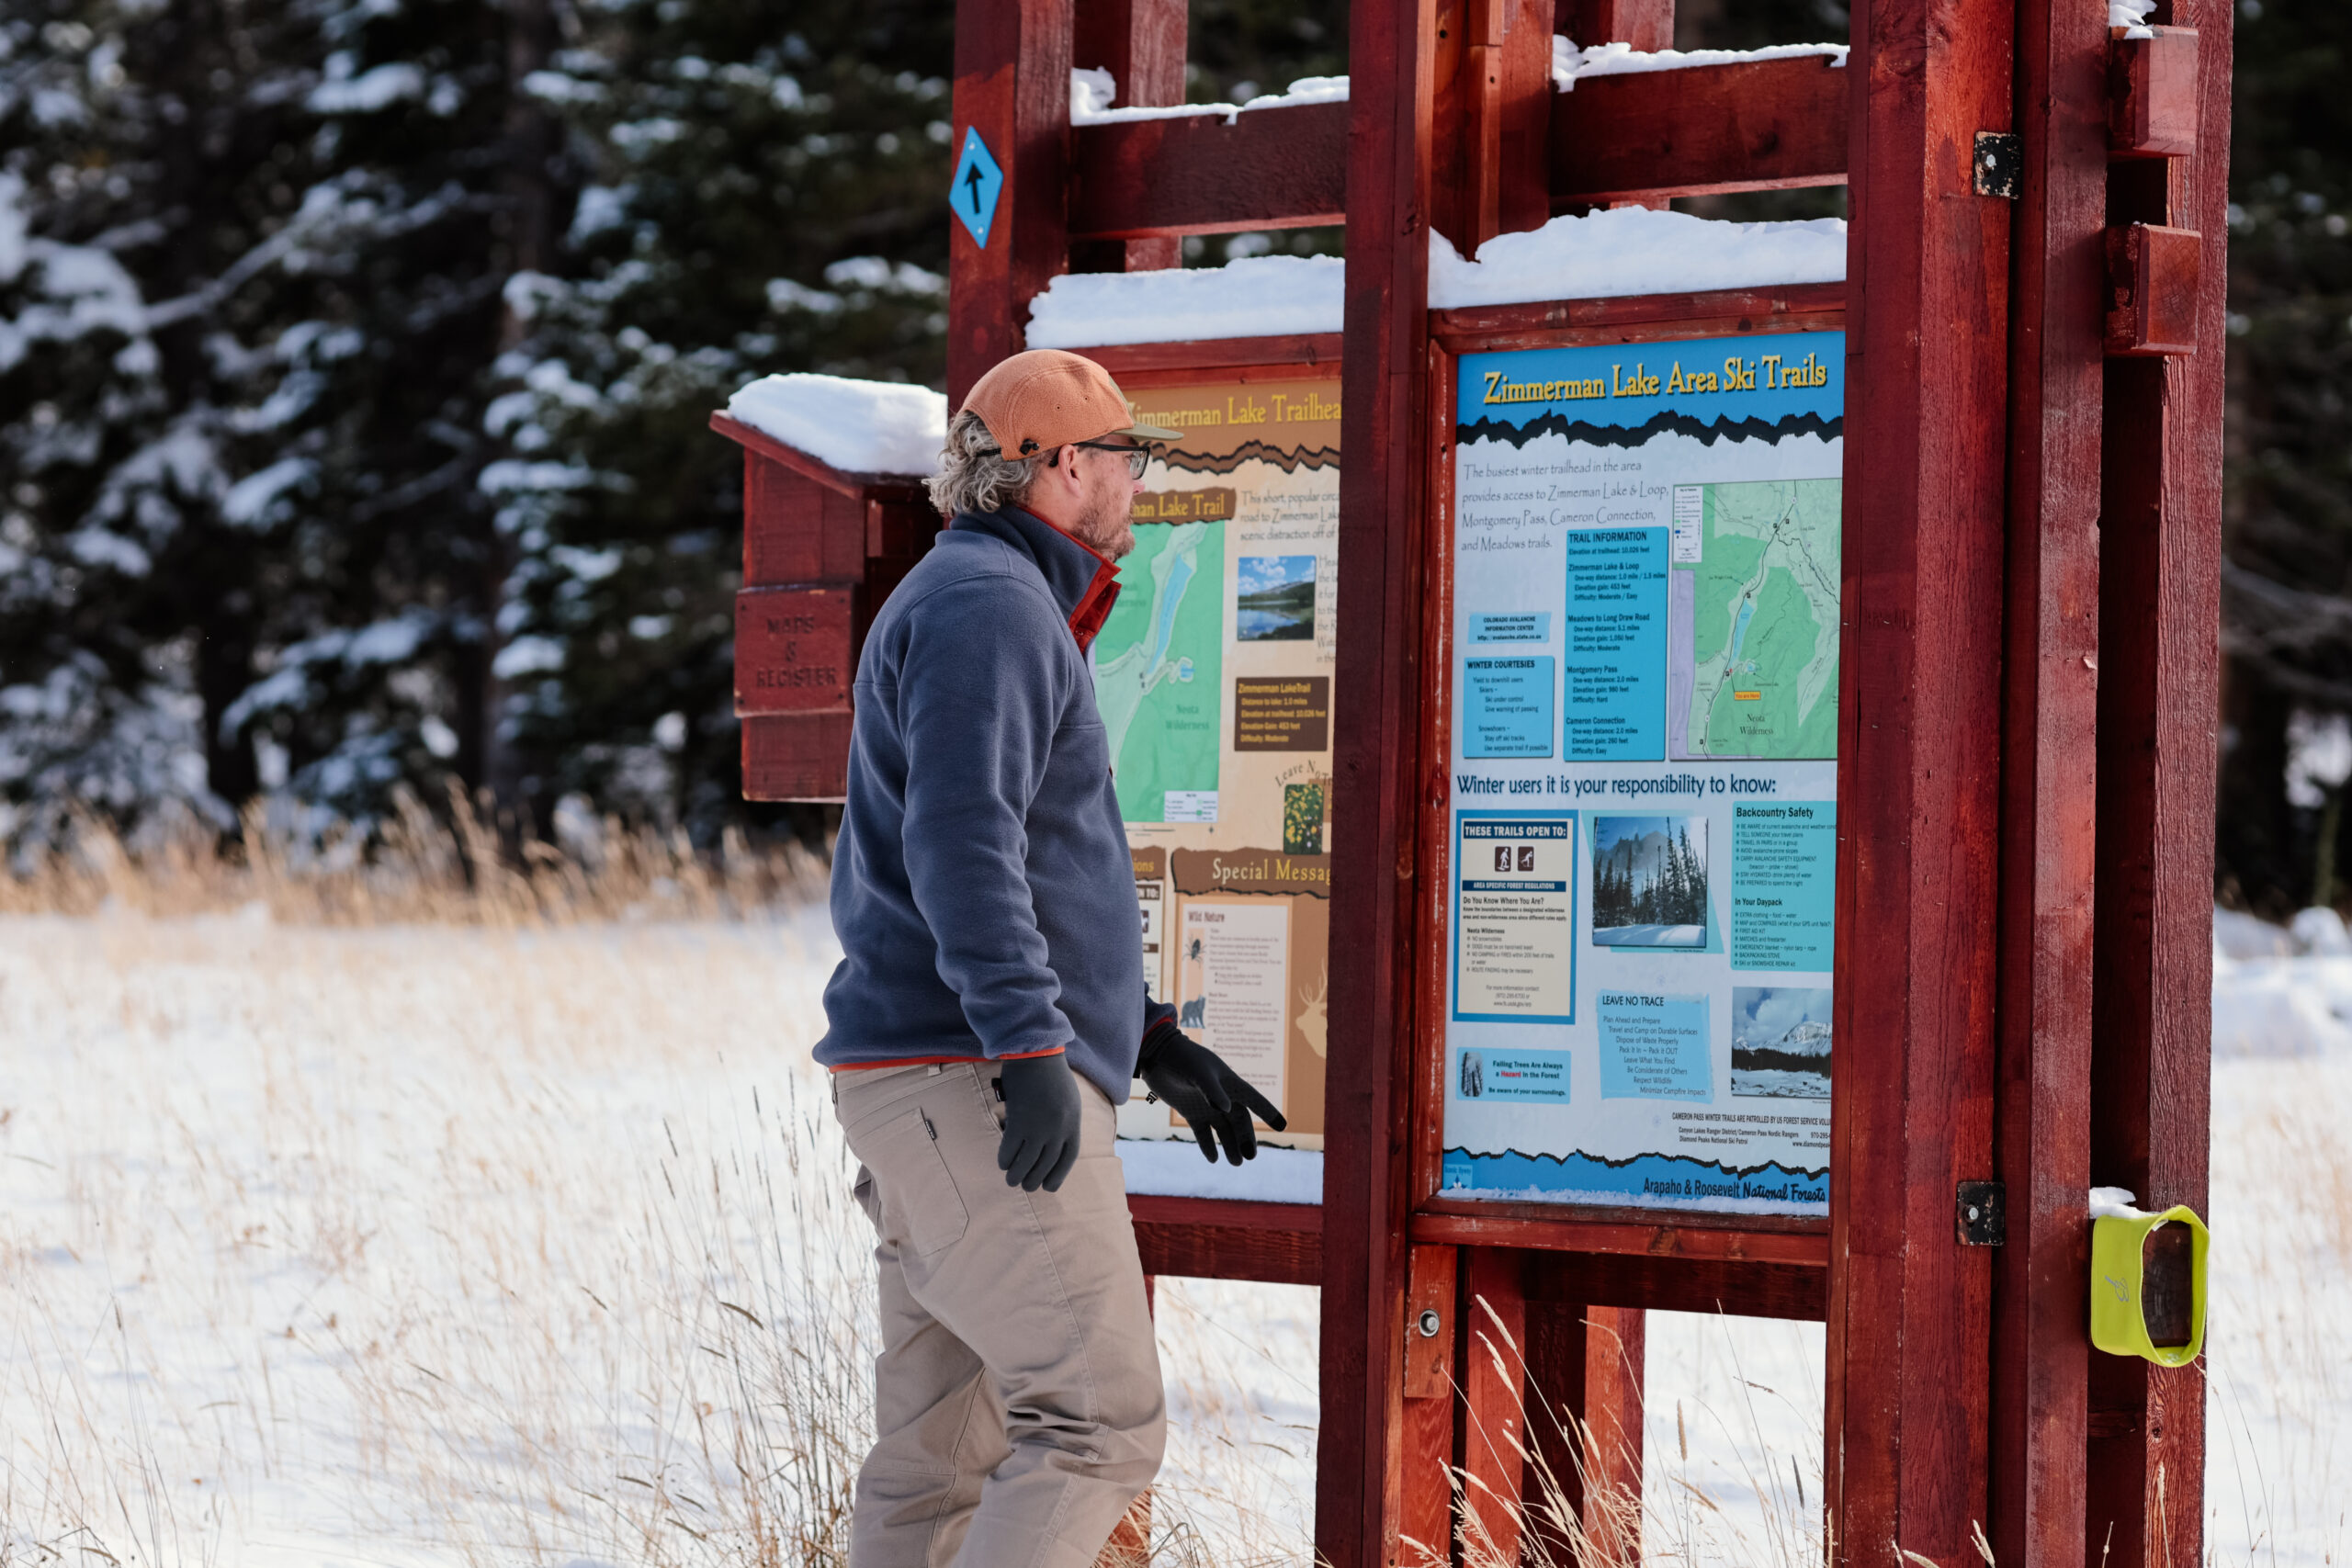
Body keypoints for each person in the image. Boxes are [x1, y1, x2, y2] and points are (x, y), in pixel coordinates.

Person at [818, 347, 1286, 1568]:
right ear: (1059, 464)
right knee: (1098, 1423)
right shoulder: (986, 606)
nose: (1137, 479)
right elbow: (964, 842)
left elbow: (1025, 851)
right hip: (973, 1085)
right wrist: (1032, 1048)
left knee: (938, 1470)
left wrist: (1143, 1034)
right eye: (1124, 454)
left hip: (927, 1082)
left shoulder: (977, 595)